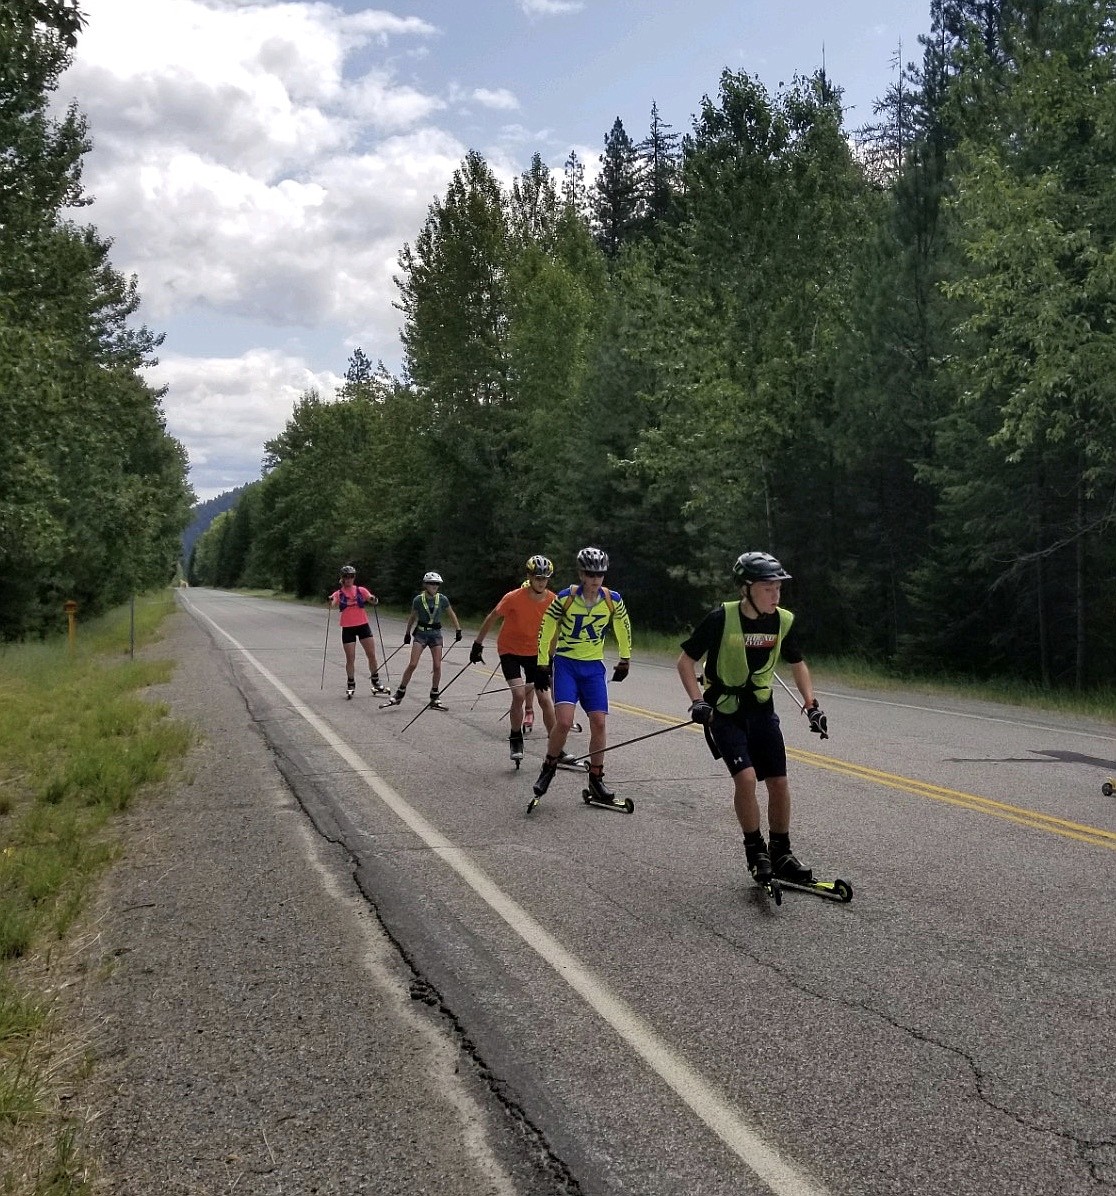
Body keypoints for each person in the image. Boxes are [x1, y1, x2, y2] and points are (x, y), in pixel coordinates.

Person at [676, 551, 828, 885]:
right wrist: (697, 702)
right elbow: (685, 662)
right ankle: (755, 849)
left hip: (761, 710)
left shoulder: (782, 621)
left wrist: (811, 704)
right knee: (746, 779)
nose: (775, 595)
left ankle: (782, 852)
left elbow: (797, 662)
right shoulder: (721, 618)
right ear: (746, 589)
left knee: (779, 783)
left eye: (778, 589)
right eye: (767, 588)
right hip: (724, 713)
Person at [531, 547, 632, 803]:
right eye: (589, 574)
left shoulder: (613, 600)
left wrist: (625, 658)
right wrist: (542, 664)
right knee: (564, 722)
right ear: (580, 574)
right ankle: (549, 767)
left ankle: (596, 780)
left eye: (599, 574)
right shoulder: (565, 598)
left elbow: (623, 625)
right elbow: (546, 627)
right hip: (566, 665)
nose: (595, 579)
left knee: (599, 721)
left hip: (593, 667)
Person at [470, 555, 559, 764]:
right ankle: (516, 737)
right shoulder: (513, 597)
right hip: (510, 650)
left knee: (545, 699)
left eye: (545, 578)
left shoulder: (553, 600)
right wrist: (477, 645)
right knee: (519, 694)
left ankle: (556, 748)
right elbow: (492, 617)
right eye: (537, 578)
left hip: (536, 653)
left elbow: (555, 630)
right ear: (529, 576)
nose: (541, 582)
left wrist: (550, 658)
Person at [383, 572, 462, 708]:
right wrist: (407, 633)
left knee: (437, 666)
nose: (434, 586)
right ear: (426, 585)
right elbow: (412, 617)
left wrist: (458, 629)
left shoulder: (442, 599)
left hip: (436, 635)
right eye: (431, 583)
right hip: (421, 634)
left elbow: (451, 613)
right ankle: (400, 692)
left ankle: (434, 695)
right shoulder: (418, 600)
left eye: (437, 584)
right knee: (413, 663)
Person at [328, 565, 389, 698]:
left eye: (351, 576)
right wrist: (330, 601)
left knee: (371, 654)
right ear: (342, 578)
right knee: (350, 658)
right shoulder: (339, 593)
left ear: (354, 577)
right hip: (348, 627)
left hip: (363, 625)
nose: (349, 579)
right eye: (346, 576)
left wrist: (373, 599)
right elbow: (332, 603)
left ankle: (376, 681)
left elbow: (372, 600)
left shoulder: (360, 590)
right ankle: (351, 684)